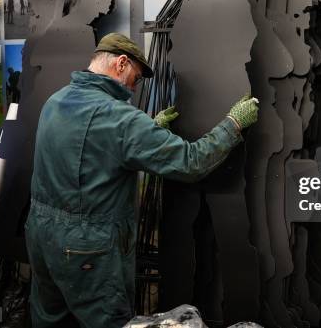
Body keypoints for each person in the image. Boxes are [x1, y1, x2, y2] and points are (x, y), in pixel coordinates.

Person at [24, 33, 259, 327]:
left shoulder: (56, 101)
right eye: (135, 78)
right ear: (121, 63)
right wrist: (233, 124)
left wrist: (148, 131)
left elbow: (93, 157)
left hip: (41, 236)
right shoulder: (120, 119)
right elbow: (191, 162)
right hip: (88, 248)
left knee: (50, 320)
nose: (135, 88)